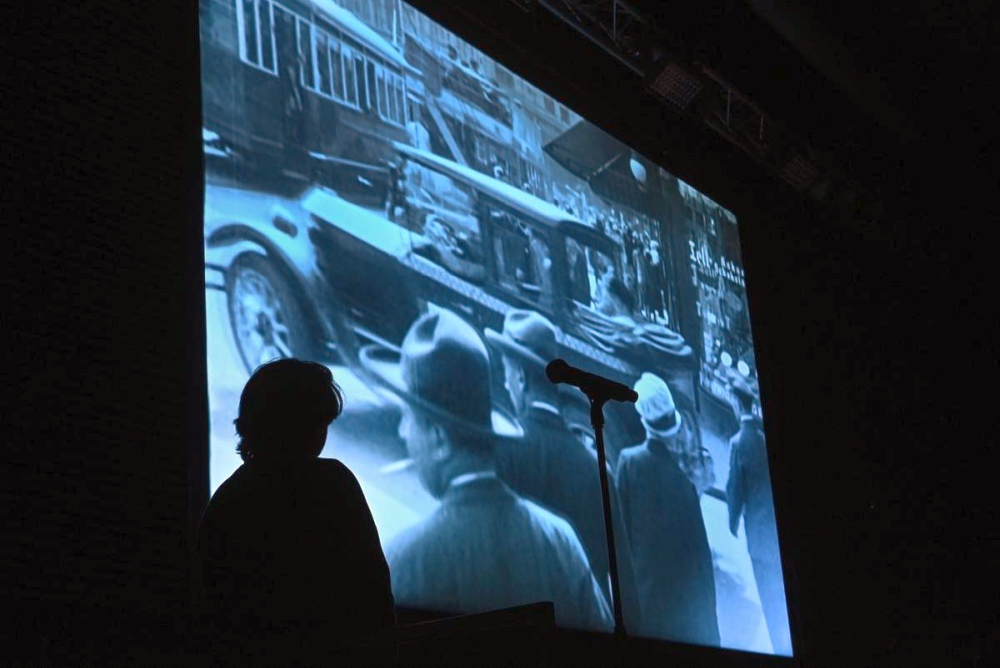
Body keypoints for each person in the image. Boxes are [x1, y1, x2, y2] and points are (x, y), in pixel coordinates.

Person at [361, 310, 612, 632]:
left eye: (407, 417)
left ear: (439, 438)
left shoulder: (403, 563)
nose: (402, 432)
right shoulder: (560, 541)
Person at [196, 359, 396, 664]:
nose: (322, 434)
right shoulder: (333, 484)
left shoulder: (225, 502)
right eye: (319, 421)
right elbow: (374, 593)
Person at [485, 311, 642, 630]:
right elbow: (626, 585)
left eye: (506, 371)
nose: (504, 382)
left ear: (520, 377)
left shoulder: (502, 452)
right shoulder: (598, 472)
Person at [616, 373, 720, 647]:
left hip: (646, 604)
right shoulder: (686, 479)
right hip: (683, 612)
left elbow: (621, 540)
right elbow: (700, 558)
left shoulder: (628, 463)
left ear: (644, 421)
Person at [727, 378, 791, 655]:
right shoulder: (764, 438)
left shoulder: (738, 442)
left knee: (772, 603)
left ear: (736, 401)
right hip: (776, 534)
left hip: (760, 540)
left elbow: (735, 488)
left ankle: (781, 649)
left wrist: (732, 520)